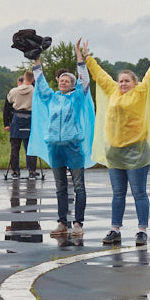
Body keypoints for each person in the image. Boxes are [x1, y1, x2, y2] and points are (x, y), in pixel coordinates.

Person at [85, 38, 150, 245]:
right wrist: (87, 58)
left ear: (134, 83)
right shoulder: (113, 92)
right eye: (121, 81)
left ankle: (142, 230)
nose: (123, 83)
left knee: (139, 192)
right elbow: (100, 76)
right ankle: (114, 229)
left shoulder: (141, 92)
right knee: (118, 193)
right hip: (115, 151)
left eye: (127, 81)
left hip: (137, 149)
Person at [29, 40, 94, 235]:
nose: (63, 82)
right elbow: (40, 84)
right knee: (60, 188)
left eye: (68, 80)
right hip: (54, 146)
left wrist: (79, 57)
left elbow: (85, 81)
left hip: (73, 146)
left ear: (73, 85)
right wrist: (36, 60)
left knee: (79, 186)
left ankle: (78, 224)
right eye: (61, 79)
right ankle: (62, 222)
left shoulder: (77, 97)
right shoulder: (52, 97)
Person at [3, 71, 38, 179]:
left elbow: (7, 105)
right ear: (33, 80)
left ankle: (15, 172)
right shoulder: (36, 91)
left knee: (15, 148)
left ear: (23, 78)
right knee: (31, 148)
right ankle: (32, 171)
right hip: (30, 119)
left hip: (16, 119)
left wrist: (6, 123)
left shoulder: (13, 91)